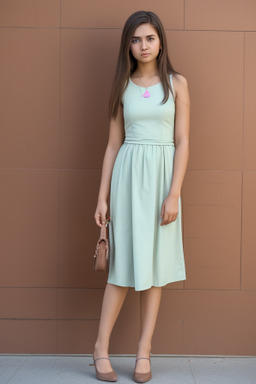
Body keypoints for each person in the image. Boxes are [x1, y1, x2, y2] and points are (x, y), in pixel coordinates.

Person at [92, 10, 190, 383]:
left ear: (160, 40)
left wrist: (174, 193)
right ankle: (100, 347)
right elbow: (113, 145)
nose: (143, 46)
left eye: (149, 38)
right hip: (128, 179)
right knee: (121, 269)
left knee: (157, 267)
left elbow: (182, 142)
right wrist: (102, 198)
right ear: (128, 45)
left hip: (164, 181)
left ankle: (143, 350)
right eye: (135, 39)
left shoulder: (177, 83)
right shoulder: (122, 86)